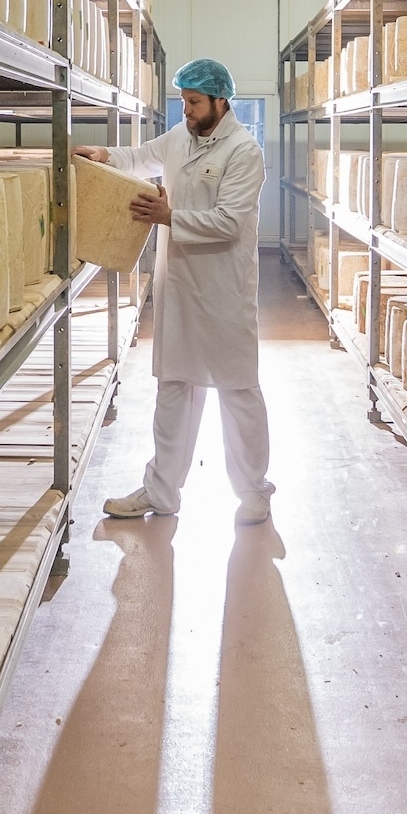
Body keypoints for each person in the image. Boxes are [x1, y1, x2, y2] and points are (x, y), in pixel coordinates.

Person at [103, 58, 273, 526]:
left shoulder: (243, 151)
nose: (187, 109)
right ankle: (162, 491)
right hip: (179, 286)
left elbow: (228, 222)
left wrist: (168, 217)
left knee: (237, 392)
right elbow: (140, 156)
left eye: (194, 101)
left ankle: (254, 492)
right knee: (174, 388)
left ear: (221, 101)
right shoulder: (181, 137)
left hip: (223, 291)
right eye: (183, 100)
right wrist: (105, 156)